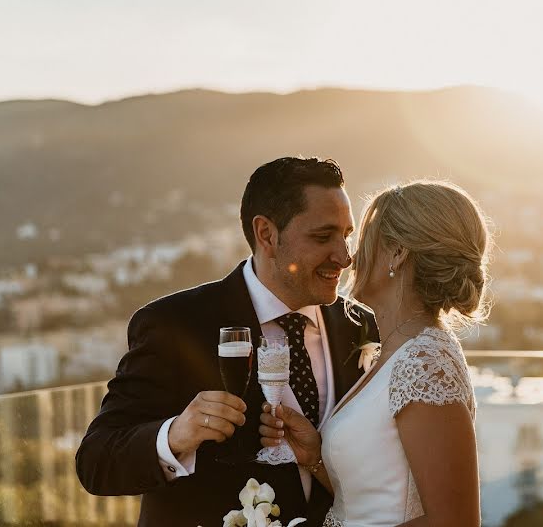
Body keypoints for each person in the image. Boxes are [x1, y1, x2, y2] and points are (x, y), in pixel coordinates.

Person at [76, 157, 377, 527]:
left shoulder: (361, 325)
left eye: (346, 236)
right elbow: (96, 461)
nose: (344, 257)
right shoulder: (175, 325)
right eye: (322, 237)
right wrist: (175, 435)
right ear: (266, 234)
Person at [259, 180, 491, 527]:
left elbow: (454, 522)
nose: (350, 256)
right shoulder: (399, 352)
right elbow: (374, 496)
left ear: (397, 252)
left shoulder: (426, 363)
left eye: (364, 238)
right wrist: (314, 458)